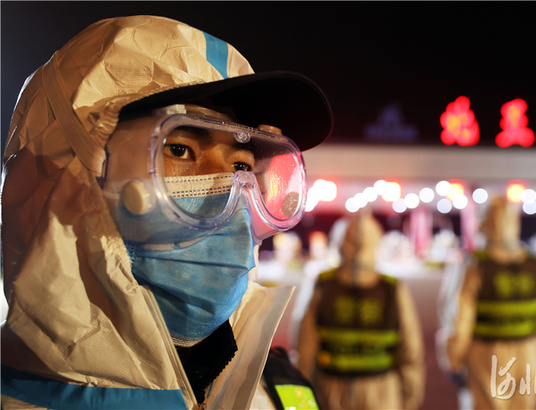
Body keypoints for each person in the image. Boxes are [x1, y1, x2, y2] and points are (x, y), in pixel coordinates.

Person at [1, 15, 332, 409]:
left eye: (242, 166)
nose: (227, 188)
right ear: (72, 178)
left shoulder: (280, 393)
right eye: (180, 149)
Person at [436, 196, 536, 409]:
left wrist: (453, 361)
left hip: (486, 355)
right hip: (529, 355)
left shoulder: (473, 266)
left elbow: (457, 320)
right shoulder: (535, 266)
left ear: (482, 223)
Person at [296, 209, 425, 409]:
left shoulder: (322, 285)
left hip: (330, 390)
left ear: (340, 242)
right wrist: (411, 394)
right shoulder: (392, 288)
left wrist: (303, 392)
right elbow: (411, 348)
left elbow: (304, 346)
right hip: (383, 393)